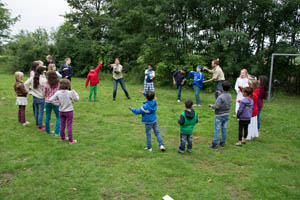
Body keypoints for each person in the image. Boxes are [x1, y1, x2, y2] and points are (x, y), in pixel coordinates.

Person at [50, 79, 79, 144]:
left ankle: (62, 138)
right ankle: (71, 140)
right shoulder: (70, 92)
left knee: (62, 125)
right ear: (68, 85)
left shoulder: (58, 92)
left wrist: (57, 103)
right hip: (69, 111)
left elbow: (50, 99)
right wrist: (75, 93)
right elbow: (77, 99)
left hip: (61, 111)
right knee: (69, 125)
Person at [208, 81, 232, 149]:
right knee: (224, 128)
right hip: (226, 114)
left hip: (219, 115)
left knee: (217, 129)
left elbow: (217, 106)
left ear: (222, 87)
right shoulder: (230, 95)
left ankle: (215, 144)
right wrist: (221, 94)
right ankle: (222, 142)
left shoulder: (220, 97)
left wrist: (211, 105)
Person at [43, 71, 60, 136]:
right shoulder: (58, 84)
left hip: (48, 101)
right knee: (59, 117)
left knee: (47, 116)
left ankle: (47, 131)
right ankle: (57, 132)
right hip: (56, 102)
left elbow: (44, 94)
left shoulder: (46, 84)